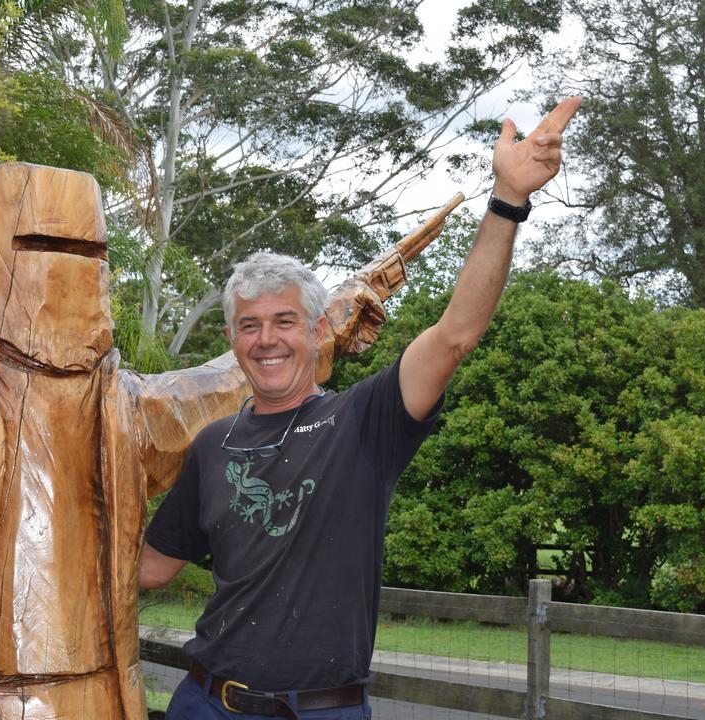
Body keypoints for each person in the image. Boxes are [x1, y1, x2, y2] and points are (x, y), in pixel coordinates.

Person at [138, 97, 583, 720]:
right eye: (249, 325)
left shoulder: (364, 421)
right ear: (233, 341)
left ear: (319, 331)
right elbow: (151, 569)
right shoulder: (213, 446)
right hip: (208, 703)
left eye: (284, 321)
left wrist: (508, 201)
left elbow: (455, 334)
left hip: (324, 709)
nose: (266, 339)